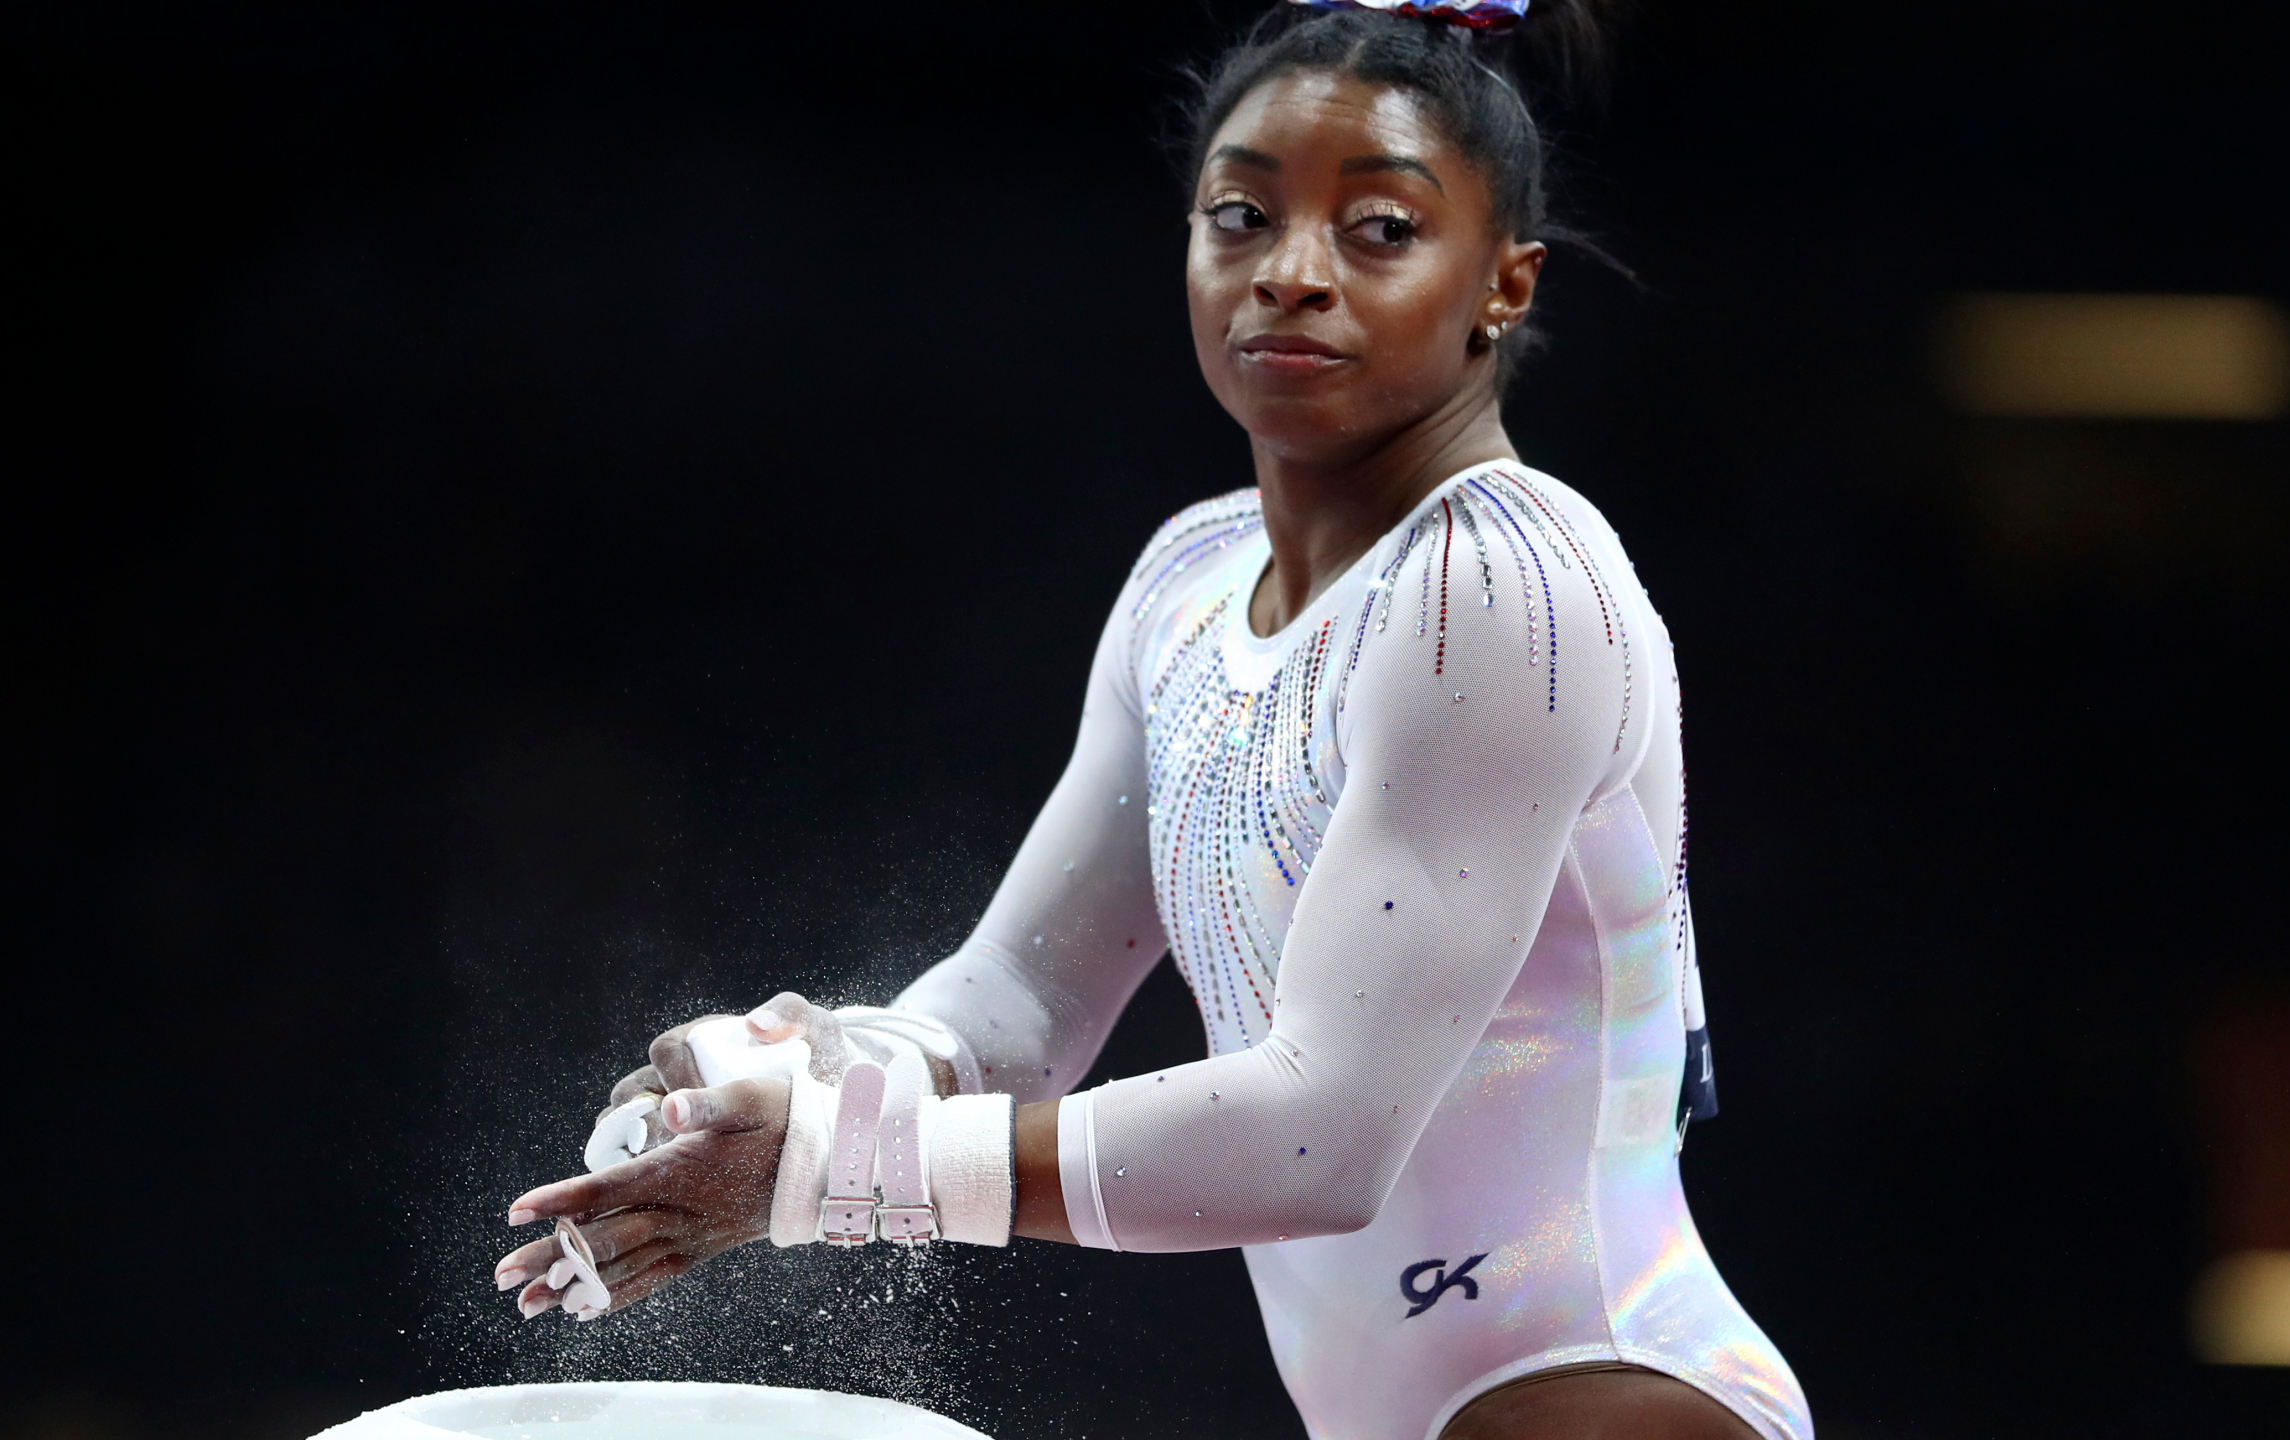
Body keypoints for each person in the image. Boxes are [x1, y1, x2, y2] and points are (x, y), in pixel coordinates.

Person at [494, 3, 1811, 1436]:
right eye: (1242, 216)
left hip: (1604, 1385)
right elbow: (1020, 998)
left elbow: (1321, 1137)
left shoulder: (1500, 591)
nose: (1291, 271)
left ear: (1504, 282)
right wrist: (818, 1075)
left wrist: (825, 1166)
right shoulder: (1190, 581)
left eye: (1380, 229)